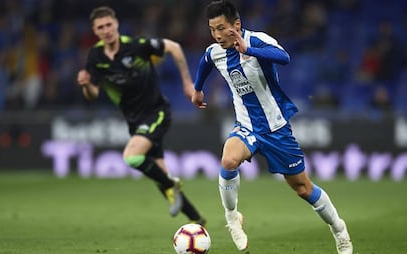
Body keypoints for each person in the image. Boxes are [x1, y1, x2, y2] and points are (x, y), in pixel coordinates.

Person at [191, 1, 353, 253]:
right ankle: (232, 217)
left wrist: (249, 50)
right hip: (246, 125)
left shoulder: (257, 40)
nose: (217, 35)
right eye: (212, 29)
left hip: (276, 128)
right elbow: (205, 61)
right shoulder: (216, 51)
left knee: (303, 188)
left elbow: (284, 57)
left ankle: (339, 230)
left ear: (236, 25)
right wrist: (198, 89)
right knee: (228, 160)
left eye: (221, 28)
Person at [77, 6, 205, 225]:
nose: (106, 30)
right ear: (94, 30)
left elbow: (173, 47)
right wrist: (86, 85)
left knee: (132, 156)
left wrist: (187, 83)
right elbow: (93, 94)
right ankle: (196, 219)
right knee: (160, 174)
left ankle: (171, 185)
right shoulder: (95, 56)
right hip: (134, 121)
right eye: (101, 27)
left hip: (156, 112)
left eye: (109, 25)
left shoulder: (136, 46)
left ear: (116, 24)